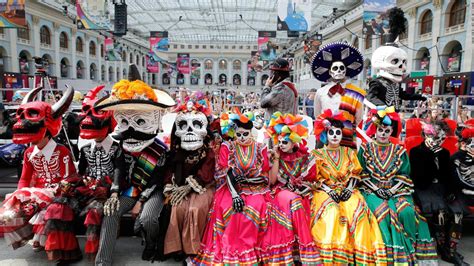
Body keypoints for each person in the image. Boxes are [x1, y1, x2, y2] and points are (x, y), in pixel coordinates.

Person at [94, 65, 176, 265]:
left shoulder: (160, 150)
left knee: (148, 218)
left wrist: (141, 201)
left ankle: (151, 243)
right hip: (129, 190)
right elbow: (119, 169)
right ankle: (103, 260)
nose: (129, 130)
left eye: (138, 120)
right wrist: (114, 192)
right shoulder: (123, 147)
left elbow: (156, 180)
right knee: (110, 211)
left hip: (152, 191)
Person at [0, 87, 77, 257]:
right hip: (36, 192)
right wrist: (20, 194)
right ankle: (31, 234)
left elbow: (70, 177)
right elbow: (24, 178)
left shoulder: (62, 151)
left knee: (47, 208)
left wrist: (57, 191)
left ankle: (42, 238)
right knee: (10, 208)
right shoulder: (28, 153)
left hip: (58, 192)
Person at [358, 107, 438, 264]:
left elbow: (403, 174)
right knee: (383, 214)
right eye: (380, 130)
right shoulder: (365, 149)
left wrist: (392, 190)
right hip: (371, 190)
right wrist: (377, 189)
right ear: (375, 130)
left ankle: (408, 251)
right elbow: (361, 173)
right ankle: (386, 257)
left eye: (386, 131)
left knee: (407, 211)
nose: (383, 134)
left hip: (397, 190)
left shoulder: (399, 150)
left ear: (391, 132)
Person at [307, 109, 387, 265]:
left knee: (358, 211)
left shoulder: (350, 152)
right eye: (332, 132)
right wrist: (329, 191)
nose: (335, 135)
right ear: (325, 135)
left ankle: (359, 258)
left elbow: (355, 174)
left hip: (348, 189)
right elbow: (314, 178)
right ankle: (333, 259)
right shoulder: (317, 154)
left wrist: (349, 189)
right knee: (331, 213)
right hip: (324, 191)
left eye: (338, 132)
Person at [193, 110, 270, 265]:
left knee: (257, 206)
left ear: (251, 133)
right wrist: (235, 195)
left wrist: (251, 180)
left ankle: (250, 251)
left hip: (255, 187)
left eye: (245, 134)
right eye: (239, 134)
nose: (241, 138)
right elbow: (224, 172)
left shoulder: (260, 148)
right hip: (230, 187)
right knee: (229, 208)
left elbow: (265, 175)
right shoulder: (227, 147)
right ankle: (231, 251)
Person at [161, 97, 216, 262]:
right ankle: (178, 249)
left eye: (197, 125)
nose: (190, 131)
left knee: (195, 210)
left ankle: (194, 250)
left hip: (204, 186)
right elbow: (170, 170)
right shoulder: (177, 150)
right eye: (184, 126)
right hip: (180, 186)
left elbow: (207, 173)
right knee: (177, 208)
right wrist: (173, 187)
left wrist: (189, 187)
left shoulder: (209, 150)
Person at [262, 112, 320, 265]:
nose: (281, 145)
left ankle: (299, 251)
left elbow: (311, 179)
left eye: (285, 142)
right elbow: (272, 181)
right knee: (294, 201)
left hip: (302, 191)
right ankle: (305, 250)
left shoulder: (305, 157)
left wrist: (302, 189)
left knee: (306, 201)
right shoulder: (276, 155)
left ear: (294, 141)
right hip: (280, 192)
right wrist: (276, 159)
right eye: (279, 142)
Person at [74, 85, 125, 261]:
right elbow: (80, 172)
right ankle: (66, 251)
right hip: (87, 189)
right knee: (59, 206)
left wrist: (114, 191)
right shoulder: (86, 148)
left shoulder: (116, 148)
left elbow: (119, 171)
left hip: (106, 191)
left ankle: (96, 251)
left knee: (95, 211)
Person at [367, 8, 426, 111]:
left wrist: (420, 97)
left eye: (403, 63)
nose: (402, 67)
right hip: (381, 117)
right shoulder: (377, 82)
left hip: (395, 115)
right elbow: (370, 97)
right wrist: (382, 108)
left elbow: (404, 95)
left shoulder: (395, 84)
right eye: (395, 61)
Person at [312, 42, 365, 148]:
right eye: (335, 68)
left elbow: (359, 117)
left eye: (342, 68)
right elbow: (317, 114)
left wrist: (347, 126)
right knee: (323, 162)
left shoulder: (355, 93)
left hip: (347, 132)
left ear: (346, 71)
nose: (339, 71)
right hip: (326, 133)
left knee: (346, 162)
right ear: (330, 72)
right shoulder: (321, 92)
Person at [447, 120, 474, 265]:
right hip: (459, 193)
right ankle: (452, 252)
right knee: (457, 215)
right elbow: (459, 181)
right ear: (464, 144)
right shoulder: (456, 158)